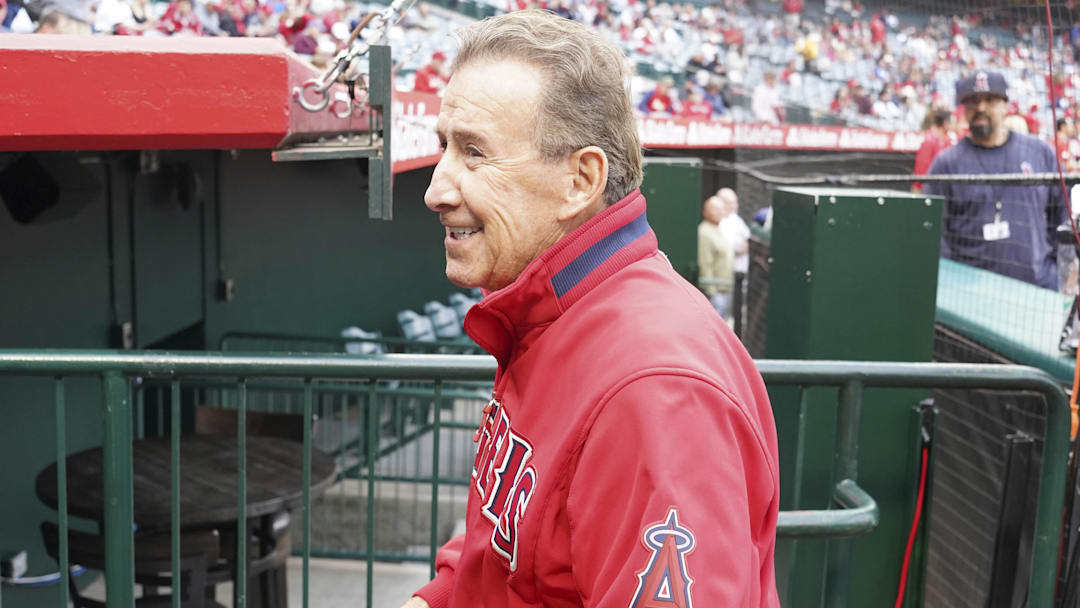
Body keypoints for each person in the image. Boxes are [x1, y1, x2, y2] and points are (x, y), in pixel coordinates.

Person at [405, 10, 780, 608]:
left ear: (580, 180)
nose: (436, 190)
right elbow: (508, 555)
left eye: (474, 153)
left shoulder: (655, 390)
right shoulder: (552, 314)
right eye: (444, 146)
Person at [925, 71, 1067, 290]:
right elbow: (933, 233)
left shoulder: (1039, 152)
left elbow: (1063, 214)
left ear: (1005, 105)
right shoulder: (946, 164)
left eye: (990, 100)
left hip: (1037, 290)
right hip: (971, 297)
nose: (981, 108)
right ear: (964, 108)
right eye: (973, 101)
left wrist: (1054, 268)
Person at [698, 195, 735, 318]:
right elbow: (705, 263)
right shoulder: (704, 232)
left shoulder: (719, 229)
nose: (719, 213)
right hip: (716, 293)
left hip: (726, 289)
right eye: (715, 209)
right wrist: (712, 292)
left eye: (721, 209)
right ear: (706, 211)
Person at [912, 108, 953, 193]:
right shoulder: (930, 140)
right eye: (952, 122)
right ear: (945, 123)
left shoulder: (947, 139)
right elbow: (921, 168)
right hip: (929, 190)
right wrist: (918, 189)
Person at [718, 187, 751, 277]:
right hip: (727, 273)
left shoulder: (735, 218)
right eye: (730, 203)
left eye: (735, 202)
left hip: (741, 270)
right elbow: (731, 247)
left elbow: (748, 237)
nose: (734, 206)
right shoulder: (720, 222)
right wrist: (741, 248)